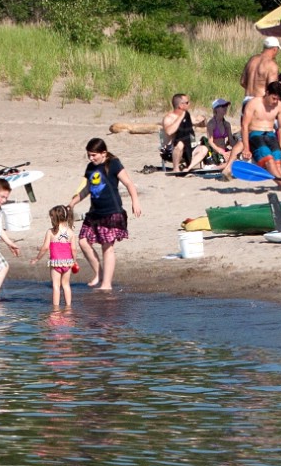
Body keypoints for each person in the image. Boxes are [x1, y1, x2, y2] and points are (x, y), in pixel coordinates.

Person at [68, 138, 141, 291]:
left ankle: (106, 284)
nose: (91, 158)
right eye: (89, 155)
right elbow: (87, 189)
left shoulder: (113, 163)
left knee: (107, 247)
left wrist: (135, 201)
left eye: (94, 155)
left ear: (103, 153)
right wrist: (73, 202)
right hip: (94, 213)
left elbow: (128, 183)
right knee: (83, 241)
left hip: (111, 212)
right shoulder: (90, 167)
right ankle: (99, 273)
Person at [35, 203, 80, 307]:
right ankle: (68, 307)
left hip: (55, 263)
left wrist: (37, 258)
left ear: (54, 218)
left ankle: (56, 309)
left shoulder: (50, 232)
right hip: (67, 263)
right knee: (66, 285)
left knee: (56, 286)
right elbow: (74, 249)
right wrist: (74, 260)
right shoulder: (70, 232)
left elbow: (45, 247)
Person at [240, 38, 281, 112]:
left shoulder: (252, 60)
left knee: (246, 123)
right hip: (260, 102)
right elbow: (273, 89)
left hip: (247, 101)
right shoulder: (272, 65)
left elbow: (242, 82)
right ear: (274, 49)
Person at [159, 93, 196, 173]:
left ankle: (189, 167)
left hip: (187, 148)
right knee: (180, 143)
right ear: (180, 105)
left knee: (203, 148)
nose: (189, 104)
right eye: (187, 102)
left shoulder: (187, 116)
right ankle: (176, 169)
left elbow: (197, 121)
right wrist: (181, 118)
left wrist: (203, 119)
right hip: (170, 150)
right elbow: (169, 132)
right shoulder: (168, 118)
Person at [205, 98, 240, 177]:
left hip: (224, 150)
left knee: (236, 158)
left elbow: (230, 140)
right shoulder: (211, 124)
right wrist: (221, 152)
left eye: (226, 106)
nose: (225, 108)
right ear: (216, 109)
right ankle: (215, 168)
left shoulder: (226, 124)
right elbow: (210, 141)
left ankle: (217, 167)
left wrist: (237, 149)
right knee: (234, 161)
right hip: (215, 151)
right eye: (223, 106)